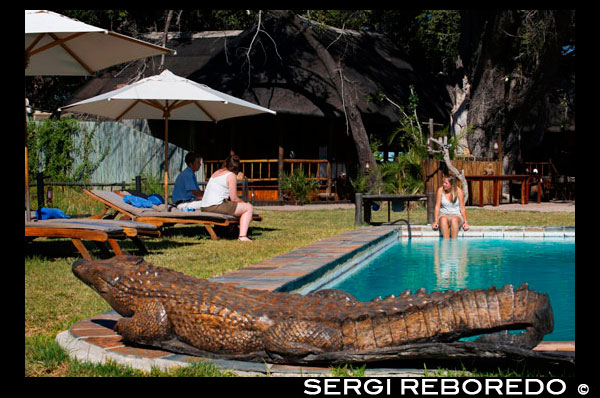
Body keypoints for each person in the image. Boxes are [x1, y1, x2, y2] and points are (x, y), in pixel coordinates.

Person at [200, 154, 255, 241]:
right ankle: (242, 236)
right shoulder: (231, 175)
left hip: (204, 206)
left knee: (234, 207)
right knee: (248, 208)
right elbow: (234, 198)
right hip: (215, 206)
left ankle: (228, 231)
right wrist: (243, 202)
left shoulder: (216, 172)